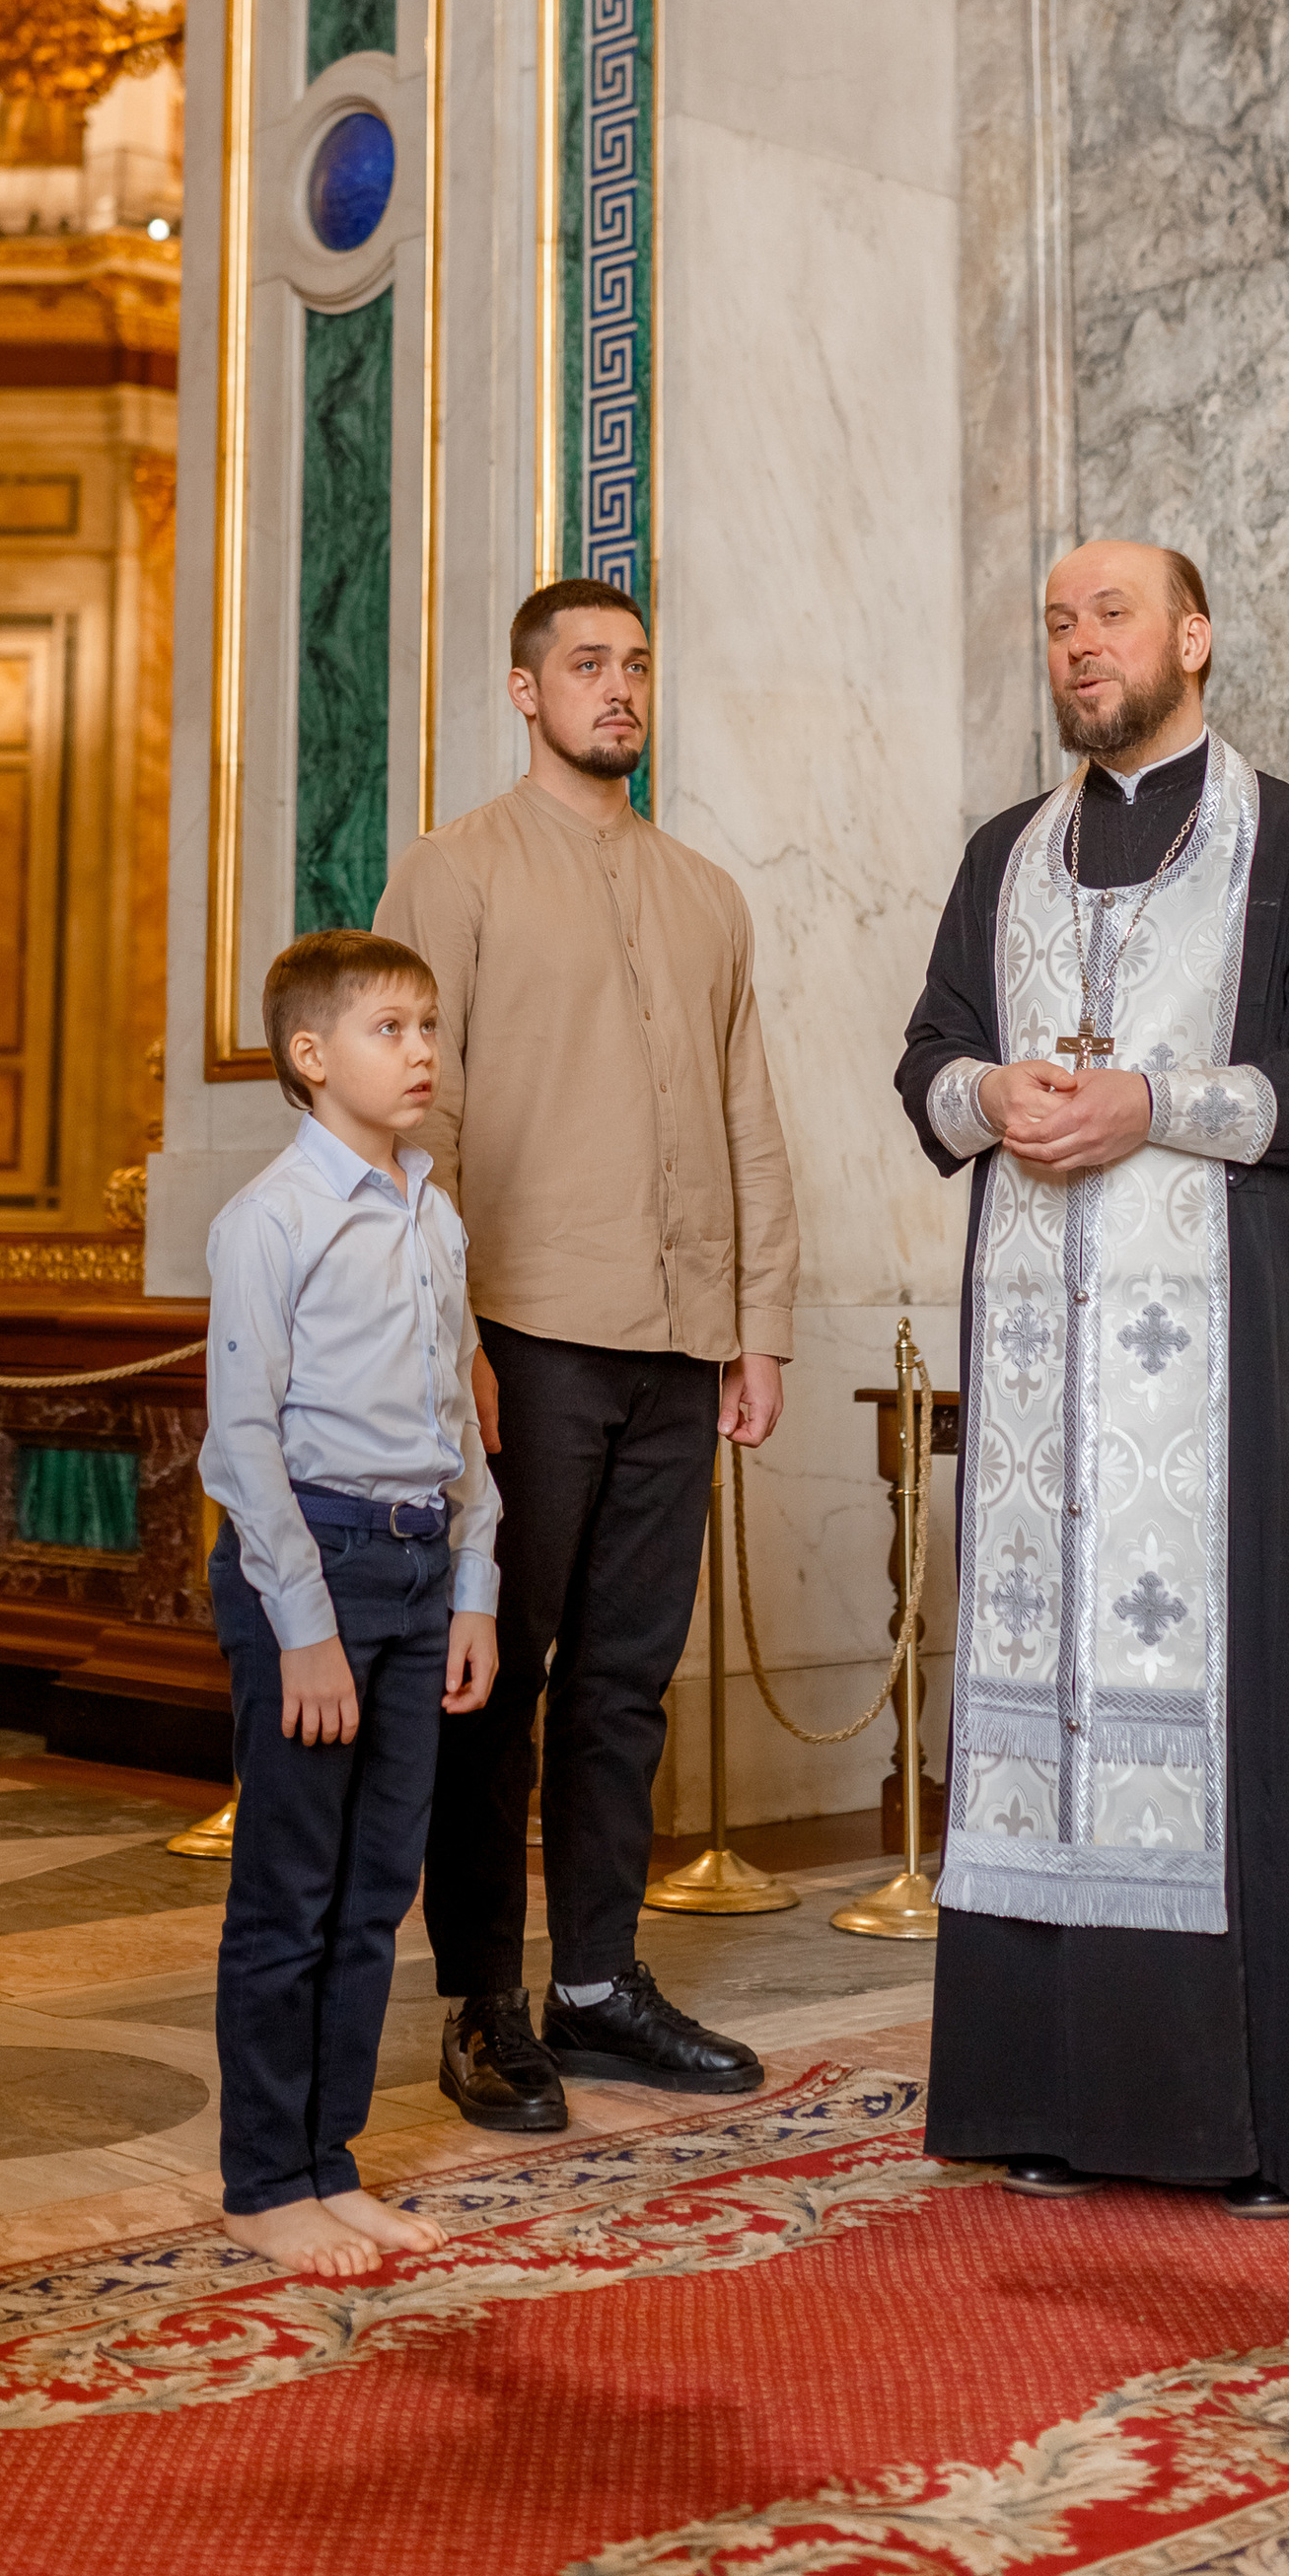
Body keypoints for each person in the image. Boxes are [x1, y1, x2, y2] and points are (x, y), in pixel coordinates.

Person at [896, 540, 1289, 2212]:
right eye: (1056, 621)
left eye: (1111, 613)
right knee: (1034, 1713)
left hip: (1216, 1374)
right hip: (1040, 1378)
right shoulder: (1007, 855)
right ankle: (1041, 2103)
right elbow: (926, 1060)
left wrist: (1156, 1106)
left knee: (1231, 1701)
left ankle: (1260, 2128)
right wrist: (995, 1096)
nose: (1078, 643)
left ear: (1194, 636)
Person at [377, 580, 800, 2132]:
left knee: (629, 1680)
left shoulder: (703, 893)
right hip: (526, 1333)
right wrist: (448, 1341)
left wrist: (756, 1327)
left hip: (681, 1340)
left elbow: (749, 1115)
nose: (617, 689)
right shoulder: (456, 871)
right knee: (499, 1675)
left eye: (634, 664)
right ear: (521, 690)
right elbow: (422, 1109)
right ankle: (485, 2000)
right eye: (585, 666)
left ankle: (601, 1982)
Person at [199, 930, 499, 2279]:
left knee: (379, 1889)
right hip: (306, 1572)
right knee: (292, 1888)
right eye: (390, 1028)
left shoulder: (436, 1214)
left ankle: (331, 2163)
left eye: (430, 1026)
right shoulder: (271, 1218)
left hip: (420, 1570)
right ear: (312, 1057)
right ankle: (265, 2181)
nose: (423, 1051)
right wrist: (305, 1631)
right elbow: (241, 1444)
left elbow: (458, 1426)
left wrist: (474, 1591)